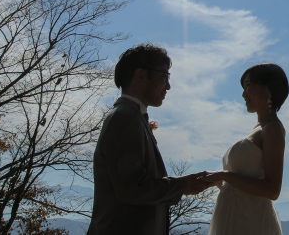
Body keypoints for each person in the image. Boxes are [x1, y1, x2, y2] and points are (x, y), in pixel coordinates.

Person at [87, 44, 210, 235]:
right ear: (141, 75)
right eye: (165, 77)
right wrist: (182, 185)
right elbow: (132, 189)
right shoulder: (125, 118)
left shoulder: (131, 117)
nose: (168, 86)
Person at [201, 63, 289, 235]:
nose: (243, 94)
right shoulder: (259, 129)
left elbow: (272, 190)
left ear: (269, 88)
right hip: (234, 216)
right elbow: (244, 184)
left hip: (249, 222)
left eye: (248, 86)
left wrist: (224, 175)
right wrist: (216, 180)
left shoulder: (273, 129)